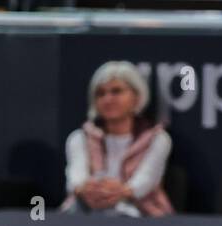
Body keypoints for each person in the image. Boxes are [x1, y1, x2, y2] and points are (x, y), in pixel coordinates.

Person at [61, 60, 173, 217]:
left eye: (116, 91)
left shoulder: (157, 139)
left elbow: (144, 182)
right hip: (87, 214)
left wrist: (120, 192)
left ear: (136, 96)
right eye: (101, 93)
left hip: (142, 218)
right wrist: (88, 190)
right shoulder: (79, 138)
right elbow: (75, 180)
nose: (108, 99)